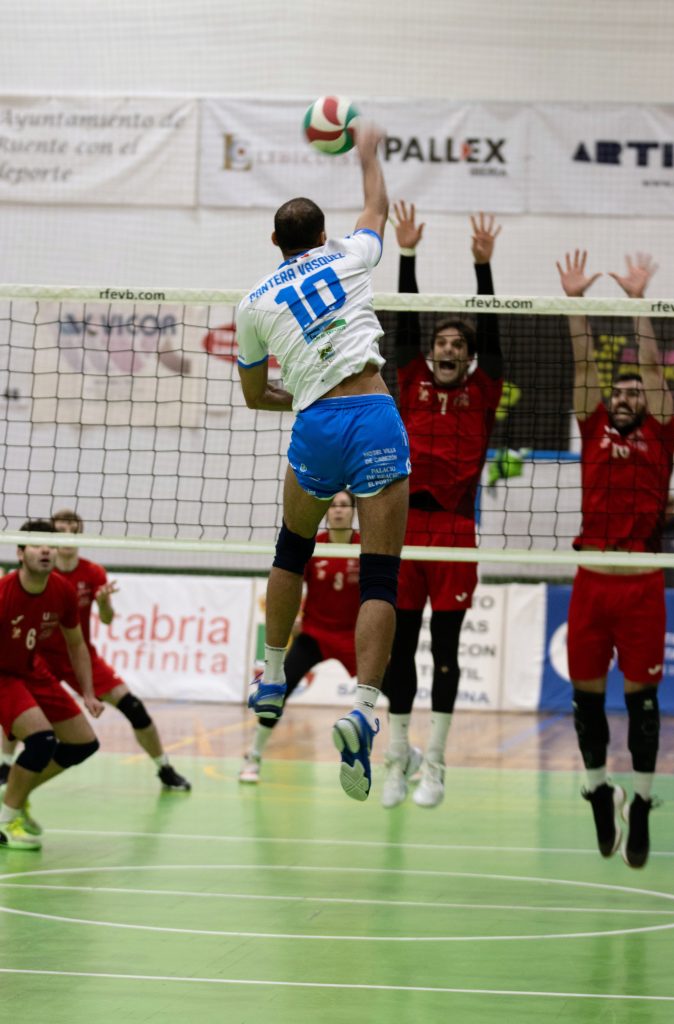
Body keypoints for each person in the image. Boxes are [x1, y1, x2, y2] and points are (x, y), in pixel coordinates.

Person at [235, 122, 410, 802]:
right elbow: (377, 210)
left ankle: (273, 674)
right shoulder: (348, 258)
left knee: (291, 550)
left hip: (314, 422)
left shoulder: (253, 303)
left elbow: (255, 395)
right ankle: (363, 708)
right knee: (380, 573)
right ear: (321, 234)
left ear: (274, 242)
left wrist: (301, 394)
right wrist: (367, 154)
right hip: (372, 413)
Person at [557, 250, 674, 869]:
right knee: (586, 704)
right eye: (621, 391)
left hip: (642, 584)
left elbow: (653, 368)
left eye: (636, 391)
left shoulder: (662, 433)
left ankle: (644, 803)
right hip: (592, 581)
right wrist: (575, 305)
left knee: (643, 706)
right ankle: (599, 791)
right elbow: (584, 364)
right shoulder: (594, 425)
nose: (628, 396)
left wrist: (637, 304)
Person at [381, 204, 503, 810]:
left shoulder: (484, 389)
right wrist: (407, 255)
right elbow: (405, 321)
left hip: (455, 530)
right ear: (431, 353)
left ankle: (436, 760)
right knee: (400, 648)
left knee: (447, 652)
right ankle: (397, 754)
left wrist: (484, 268)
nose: (448, 348)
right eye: (441, 343)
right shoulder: (412, 380)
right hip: (406, 529)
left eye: (458, 344)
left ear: (470, 357)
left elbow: (493, 330)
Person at [19, 509, 189, 791]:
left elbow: (108, 620)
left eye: (73, 530)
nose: (67, 536)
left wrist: (104, 603)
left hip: (81, 656)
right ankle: (5, 767)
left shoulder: (93, 572)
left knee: (134, 708)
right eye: (60, 531)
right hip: (40, 658)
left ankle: (165, 768)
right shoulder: (41, 572)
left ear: (80, 534)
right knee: (22, 711)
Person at [239, 491, 361, 783]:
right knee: (278, 689)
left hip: (354, 637)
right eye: (333, 505)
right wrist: (293, 618)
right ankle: (254, 755)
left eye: (344, 505)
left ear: (354, 511)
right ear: (326, 512)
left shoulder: (365, 546)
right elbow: (291, 582)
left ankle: (403, 754)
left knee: (394, 684)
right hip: (315, 633)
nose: (338, 510)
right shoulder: (315, 546)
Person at [0, 520, 104, 850]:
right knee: (42, 741)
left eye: (50, 544)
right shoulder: (3, 594)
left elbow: (76, 643)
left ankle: (14, 794)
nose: (45, 550)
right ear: (20, 553)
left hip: (31, 669)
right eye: (36, 544)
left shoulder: (62, 590)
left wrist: (88, 692)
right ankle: (5, 821)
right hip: (2, 675)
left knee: (83, 743)